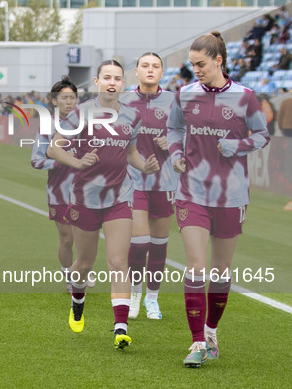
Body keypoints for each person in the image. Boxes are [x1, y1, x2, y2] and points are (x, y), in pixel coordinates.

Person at [167, 31, 270, 367]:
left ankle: (211, 331)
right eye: (192, 64)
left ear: (218, 61)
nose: (195, 69)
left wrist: (237, 146)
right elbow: (173, 129)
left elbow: (262, 135)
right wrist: (175, 154)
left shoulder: (245, 97)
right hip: (191, 191)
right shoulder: (184, 94)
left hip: (230, 195)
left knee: (221, 270)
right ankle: (197, 343)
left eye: (201, 64)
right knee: (196, 265)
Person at [47, 60, 160, 349]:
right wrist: (77, 161)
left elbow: (131, 152)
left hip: (120, 197)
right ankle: (77, 299)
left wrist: (144, 167)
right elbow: (53, 148)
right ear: (96, 81)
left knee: (117, 262)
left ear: (123, 83)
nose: (112, 82)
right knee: (83, 263)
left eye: (118, 78)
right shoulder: (80, 113)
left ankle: (120, 327)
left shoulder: (132, 116)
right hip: (85, 198)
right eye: (107, 77)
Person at [123, 52, 178, 321]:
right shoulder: (123, 100)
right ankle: (134, 294)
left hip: (165, 181)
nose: (150, 70)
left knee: (158, 243)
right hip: (133, 180)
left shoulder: (174, 101)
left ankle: (152, 298)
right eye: (145, 65)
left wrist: (174, 143)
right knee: (140, 241)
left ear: (162, 73)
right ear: (136, 71)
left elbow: (189, 136)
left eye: (155, 66)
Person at [30, 76, 80, 293]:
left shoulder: (85, 124)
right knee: (67, 239)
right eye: (64, 98)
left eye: (72, 98)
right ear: (54, 101)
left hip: (86, 191)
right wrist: (61, 160)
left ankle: (82, 269)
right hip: (60, 192)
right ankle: (69, 275)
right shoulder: (47, 126)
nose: (69, 102)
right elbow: (36, 160)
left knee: (86, 237)